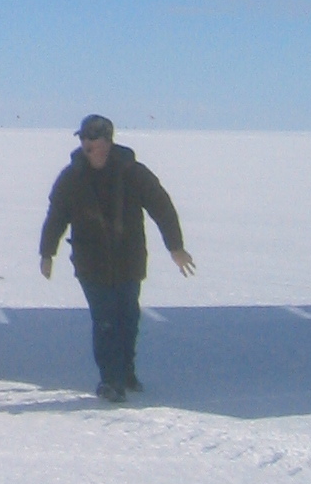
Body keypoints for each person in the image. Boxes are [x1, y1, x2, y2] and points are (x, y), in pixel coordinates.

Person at [39, 115, 195, 401]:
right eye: (82, 138)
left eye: (92, 138)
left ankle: (125, 372)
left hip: (129, 260)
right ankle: (110, 380)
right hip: (90, 263)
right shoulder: (72, 176)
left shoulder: (132, 172)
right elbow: (56, 215)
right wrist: (47, 252)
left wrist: (176, 247)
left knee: (128, 318)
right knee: (105, 320)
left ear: (107, 140)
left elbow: (162, 207)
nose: (86, 143)